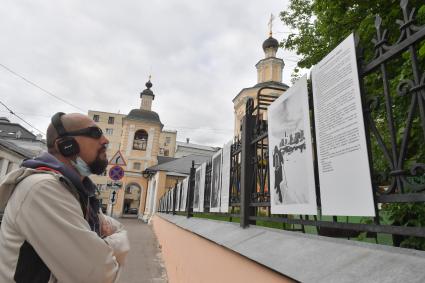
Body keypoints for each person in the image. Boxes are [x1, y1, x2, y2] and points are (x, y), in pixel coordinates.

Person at [0, 112, 129, 283]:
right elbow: (99, 275)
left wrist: (103, 247)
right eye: (95, 133)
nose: (105, 140)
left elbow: (120, 229)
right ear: (67, 145)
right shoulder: (43, 189)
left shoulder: (77, 192)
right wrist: (109, 246)